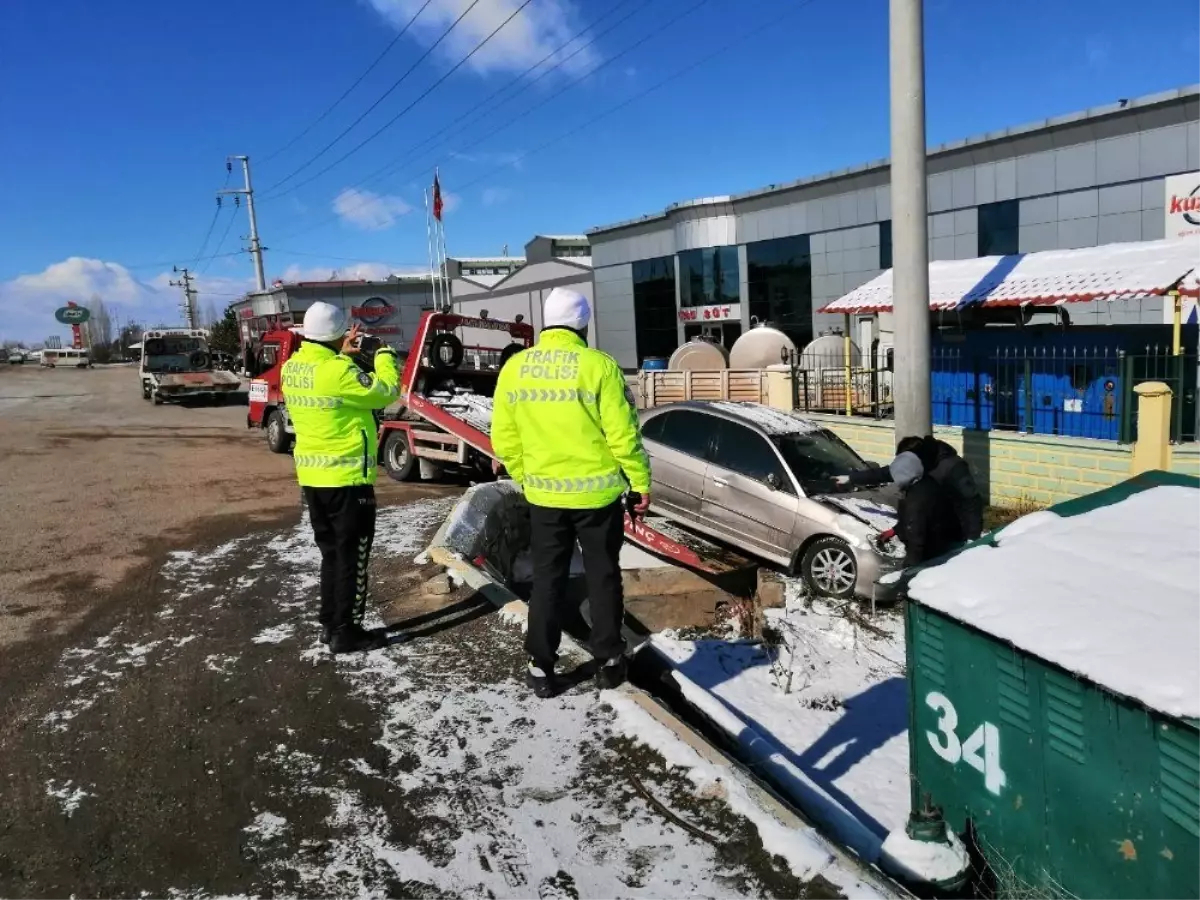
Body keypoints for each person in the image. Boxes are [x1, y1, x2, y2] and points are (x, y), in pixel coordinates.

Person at [491, 287, 652, 698]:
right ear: (583, 323)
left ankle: (541, 667)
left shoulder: (516, 368)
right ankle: (609, 661)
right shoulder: (599, 367)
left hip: (544, 497)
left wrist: (527, 476)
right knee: (602, 576)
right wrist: (639, 482)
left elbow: (504, 437)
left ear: (547, 321)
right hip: (597, 500)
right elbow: (623, 434)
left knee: (547, 580)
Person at [280, 301, 401, 654]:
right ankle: (346, 631)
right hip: (347, 480)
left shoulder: (294, 367)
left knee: (331, 553)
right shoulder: (337, 372)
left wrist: (343, 356)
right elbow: (385, 391)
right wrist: (384, 355)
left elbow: (332, 387)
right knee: (353, 557)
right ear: (337, 335)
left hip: (314, 478)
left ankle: (330, 623)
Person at [835, 434, 983, 541]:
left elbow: (972, 502)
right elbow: (885, 473)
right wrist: (851, 478)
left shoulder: (953, 467)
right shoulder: (916, 464)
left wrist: (972, 539)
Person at [875, 451, 966, 568]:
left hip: (933, 553)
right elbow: (924, 517)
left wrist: (909, 570)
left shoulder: (914, 501)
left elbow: (917, 541)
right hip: (947, 541)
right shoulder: (928, 482)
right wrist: (895, 530)